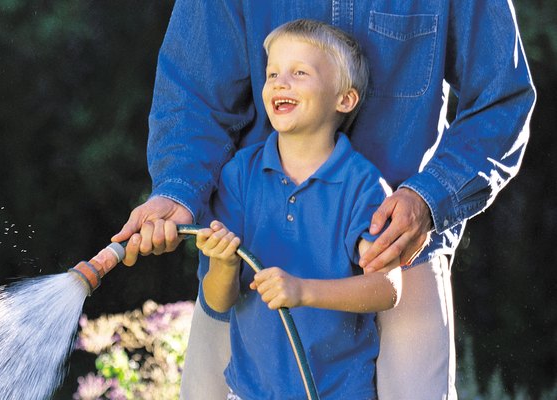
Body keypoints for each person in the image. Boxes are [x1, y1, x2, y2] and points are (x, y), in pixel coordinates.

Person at [112, 1, 536, 399]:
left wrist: (430, 198)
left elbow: (502, 99)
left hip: (401, 251)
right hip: (250, 255)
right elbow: (191, 96)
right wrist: (178, 189)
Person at [195, 19, 401, 399]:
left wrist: (303, 291)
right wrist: (223, 264)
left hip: (339, 393)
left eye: (299, 72)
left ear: (344, 99)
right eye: (272, 72)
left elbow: (387, 289)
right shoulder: (241, 175)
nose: (279, 82)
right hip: (251, 392)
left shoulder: (362, 185)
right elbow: (217, 300)